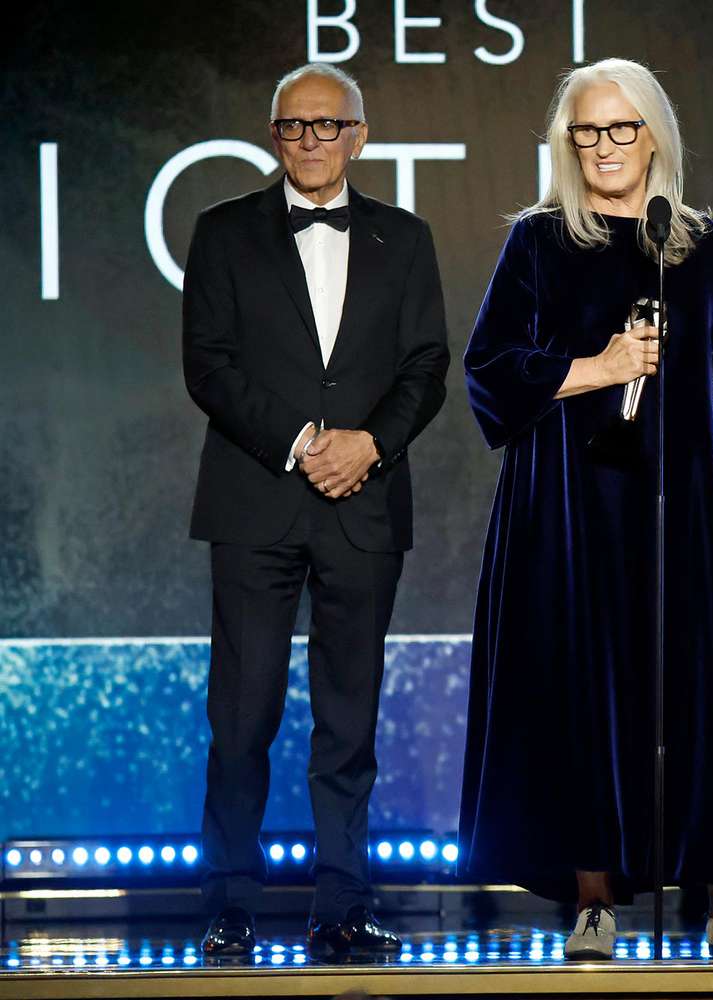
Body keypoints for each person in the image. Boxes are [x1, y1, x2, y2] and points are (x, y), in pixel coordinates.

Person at [458, 57, 713, 960]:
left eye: (622, 129)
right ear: (566, 141)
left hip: (678, 506)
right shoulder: (538, 242)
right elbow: (491, 371)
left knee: (697, 690)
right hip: (570, 510)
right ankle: (594, 902)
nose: (605, 147)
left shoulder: (694, 242)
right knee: (587, 692)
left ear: (654, 136)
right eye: (588, 131)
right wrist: (598, 368)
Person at [182, 63, 449, 960]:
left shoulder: (404, 239)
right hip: (256, 499)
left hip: (363, 505)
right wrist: (303, 441)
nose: (310, 140)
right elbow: (209, 367)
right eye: (293, 126)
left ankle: (343, 898)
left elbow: (426, 366)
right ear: (273, 135)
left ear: (359, 136)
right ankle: (230, 898)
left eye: (327, 126)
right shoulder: (222, 233)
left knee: (349, 717)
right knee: (244, 712)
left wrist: (368, 445)